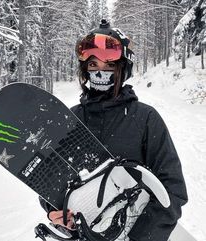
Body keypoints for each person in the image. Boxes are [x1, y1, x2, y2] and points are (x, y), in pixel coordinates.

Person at [39, 19, 188, 241]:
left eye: (109, 66)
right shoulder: (71, 119)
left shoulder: (145, 119)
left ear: (123, 68)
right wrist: (54, 211)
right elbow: (52, 182)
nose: (100, 73)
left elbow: (173, 191)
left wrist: (135, 237)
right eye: (93, 65)